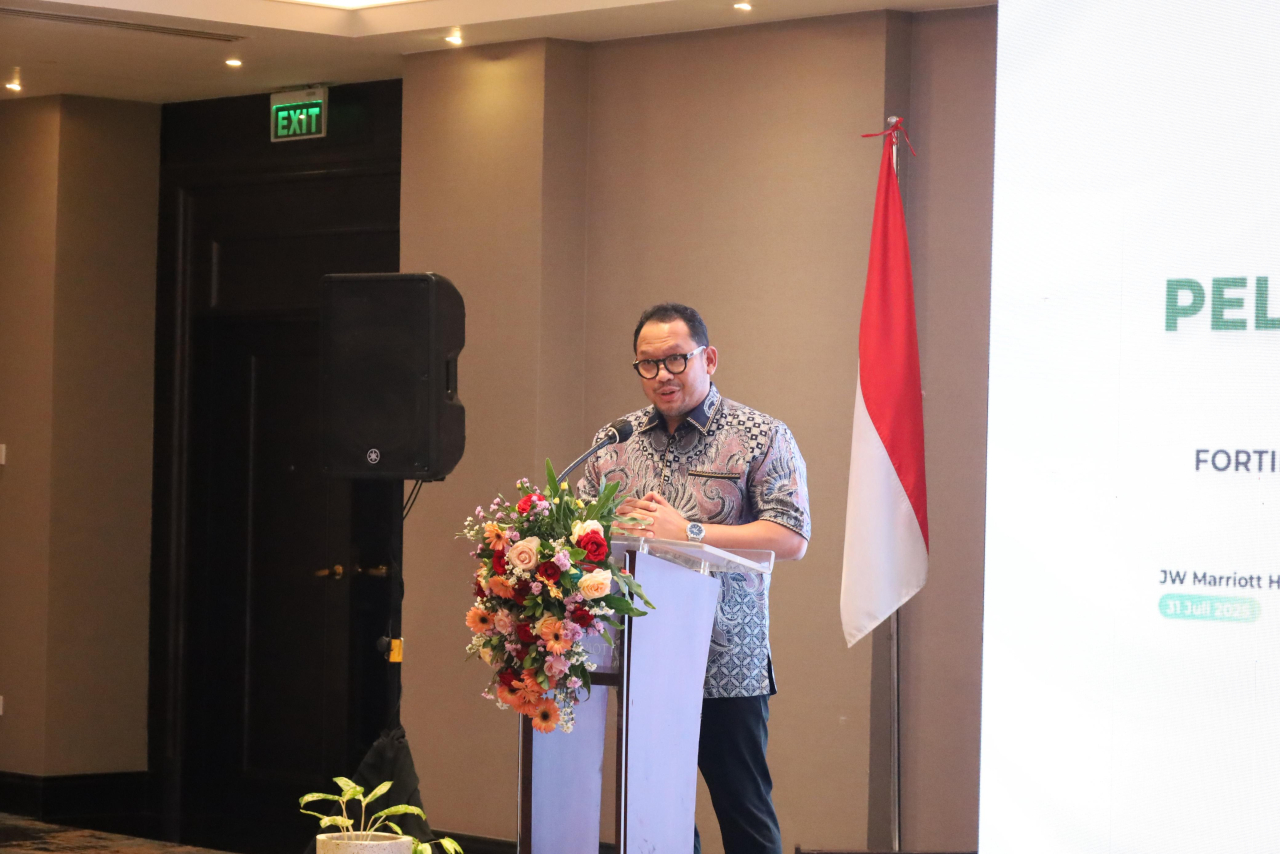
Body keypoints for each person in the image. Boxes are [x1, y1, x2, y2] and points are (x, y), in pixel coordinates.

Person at [578, 302, 810, 854]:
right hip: (642, 655)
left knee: (743, 809)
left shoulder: (760, 435)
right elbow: (581, 528)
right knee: (657, 811)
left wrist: (688, 531)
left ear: (708, 358)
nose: (662, 375)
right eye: (648, 364)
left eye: (676, 360)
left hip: (726, 657)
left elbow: (790, 535)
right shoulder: (615, 440)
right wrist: (609, 527)